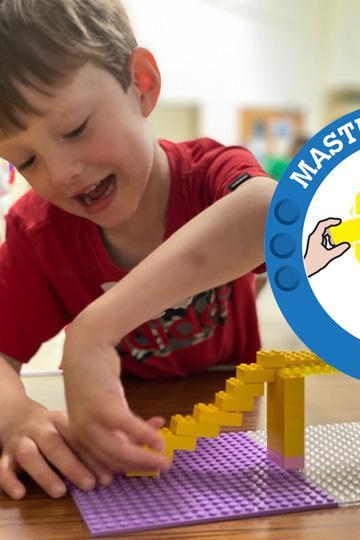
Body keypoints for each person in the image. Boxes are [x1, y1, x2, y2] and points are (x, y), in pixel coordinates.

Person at [0, 0, 276, 500]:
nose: (62, 174)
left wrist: (93, 331)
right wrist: (16, 418)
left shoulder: (209, 176)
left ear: (141, 85)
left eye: (76, 128)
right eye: (28, 159)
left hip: (236, 425)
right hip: (124, 441)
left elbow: (267, 211)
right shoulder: (39, 234)